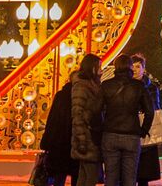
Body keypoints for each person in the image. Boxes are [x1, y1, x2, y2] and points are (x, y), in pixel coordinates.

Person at [100, 50, 153, 186]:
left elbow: (97, 110)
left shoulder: (106, 85)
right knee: (130, 177)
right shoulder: (138, 86)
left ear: (116, 67)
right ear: (130, 67)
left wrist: (101, 128)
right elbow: (150, 111)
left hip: (110, 133)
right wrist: (143, 129)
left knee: (111, 176)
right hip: (131, 134)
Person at [70, 54, 105, 186]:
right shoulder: (82, 86)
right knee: (90, 175)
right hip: (87, 136)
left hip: (89, 135)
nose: (101, 70)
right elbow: (77, 114)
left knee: (84, 174)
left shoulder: (92, 84)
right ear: (92, 68)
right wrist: (82, 140)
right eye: (99, 66)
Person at [41, 76, 78, 186]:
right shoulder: (81, 95)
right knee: (76, 174)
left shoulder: (61, 95)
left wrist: (47, 141)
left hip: (59, 142)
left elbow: (52, 119)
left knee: (59, 174)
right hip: (75, 141)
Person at [130, 56, 162, 186]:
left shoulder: (151, 88)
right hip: (131, 129)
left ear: (144, 69)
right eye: (133, 67)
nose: (135, 70)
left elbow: (155, 107)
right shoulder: (127, 85)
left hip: (147, 129)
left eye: (138, 66)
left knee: (144, 171)